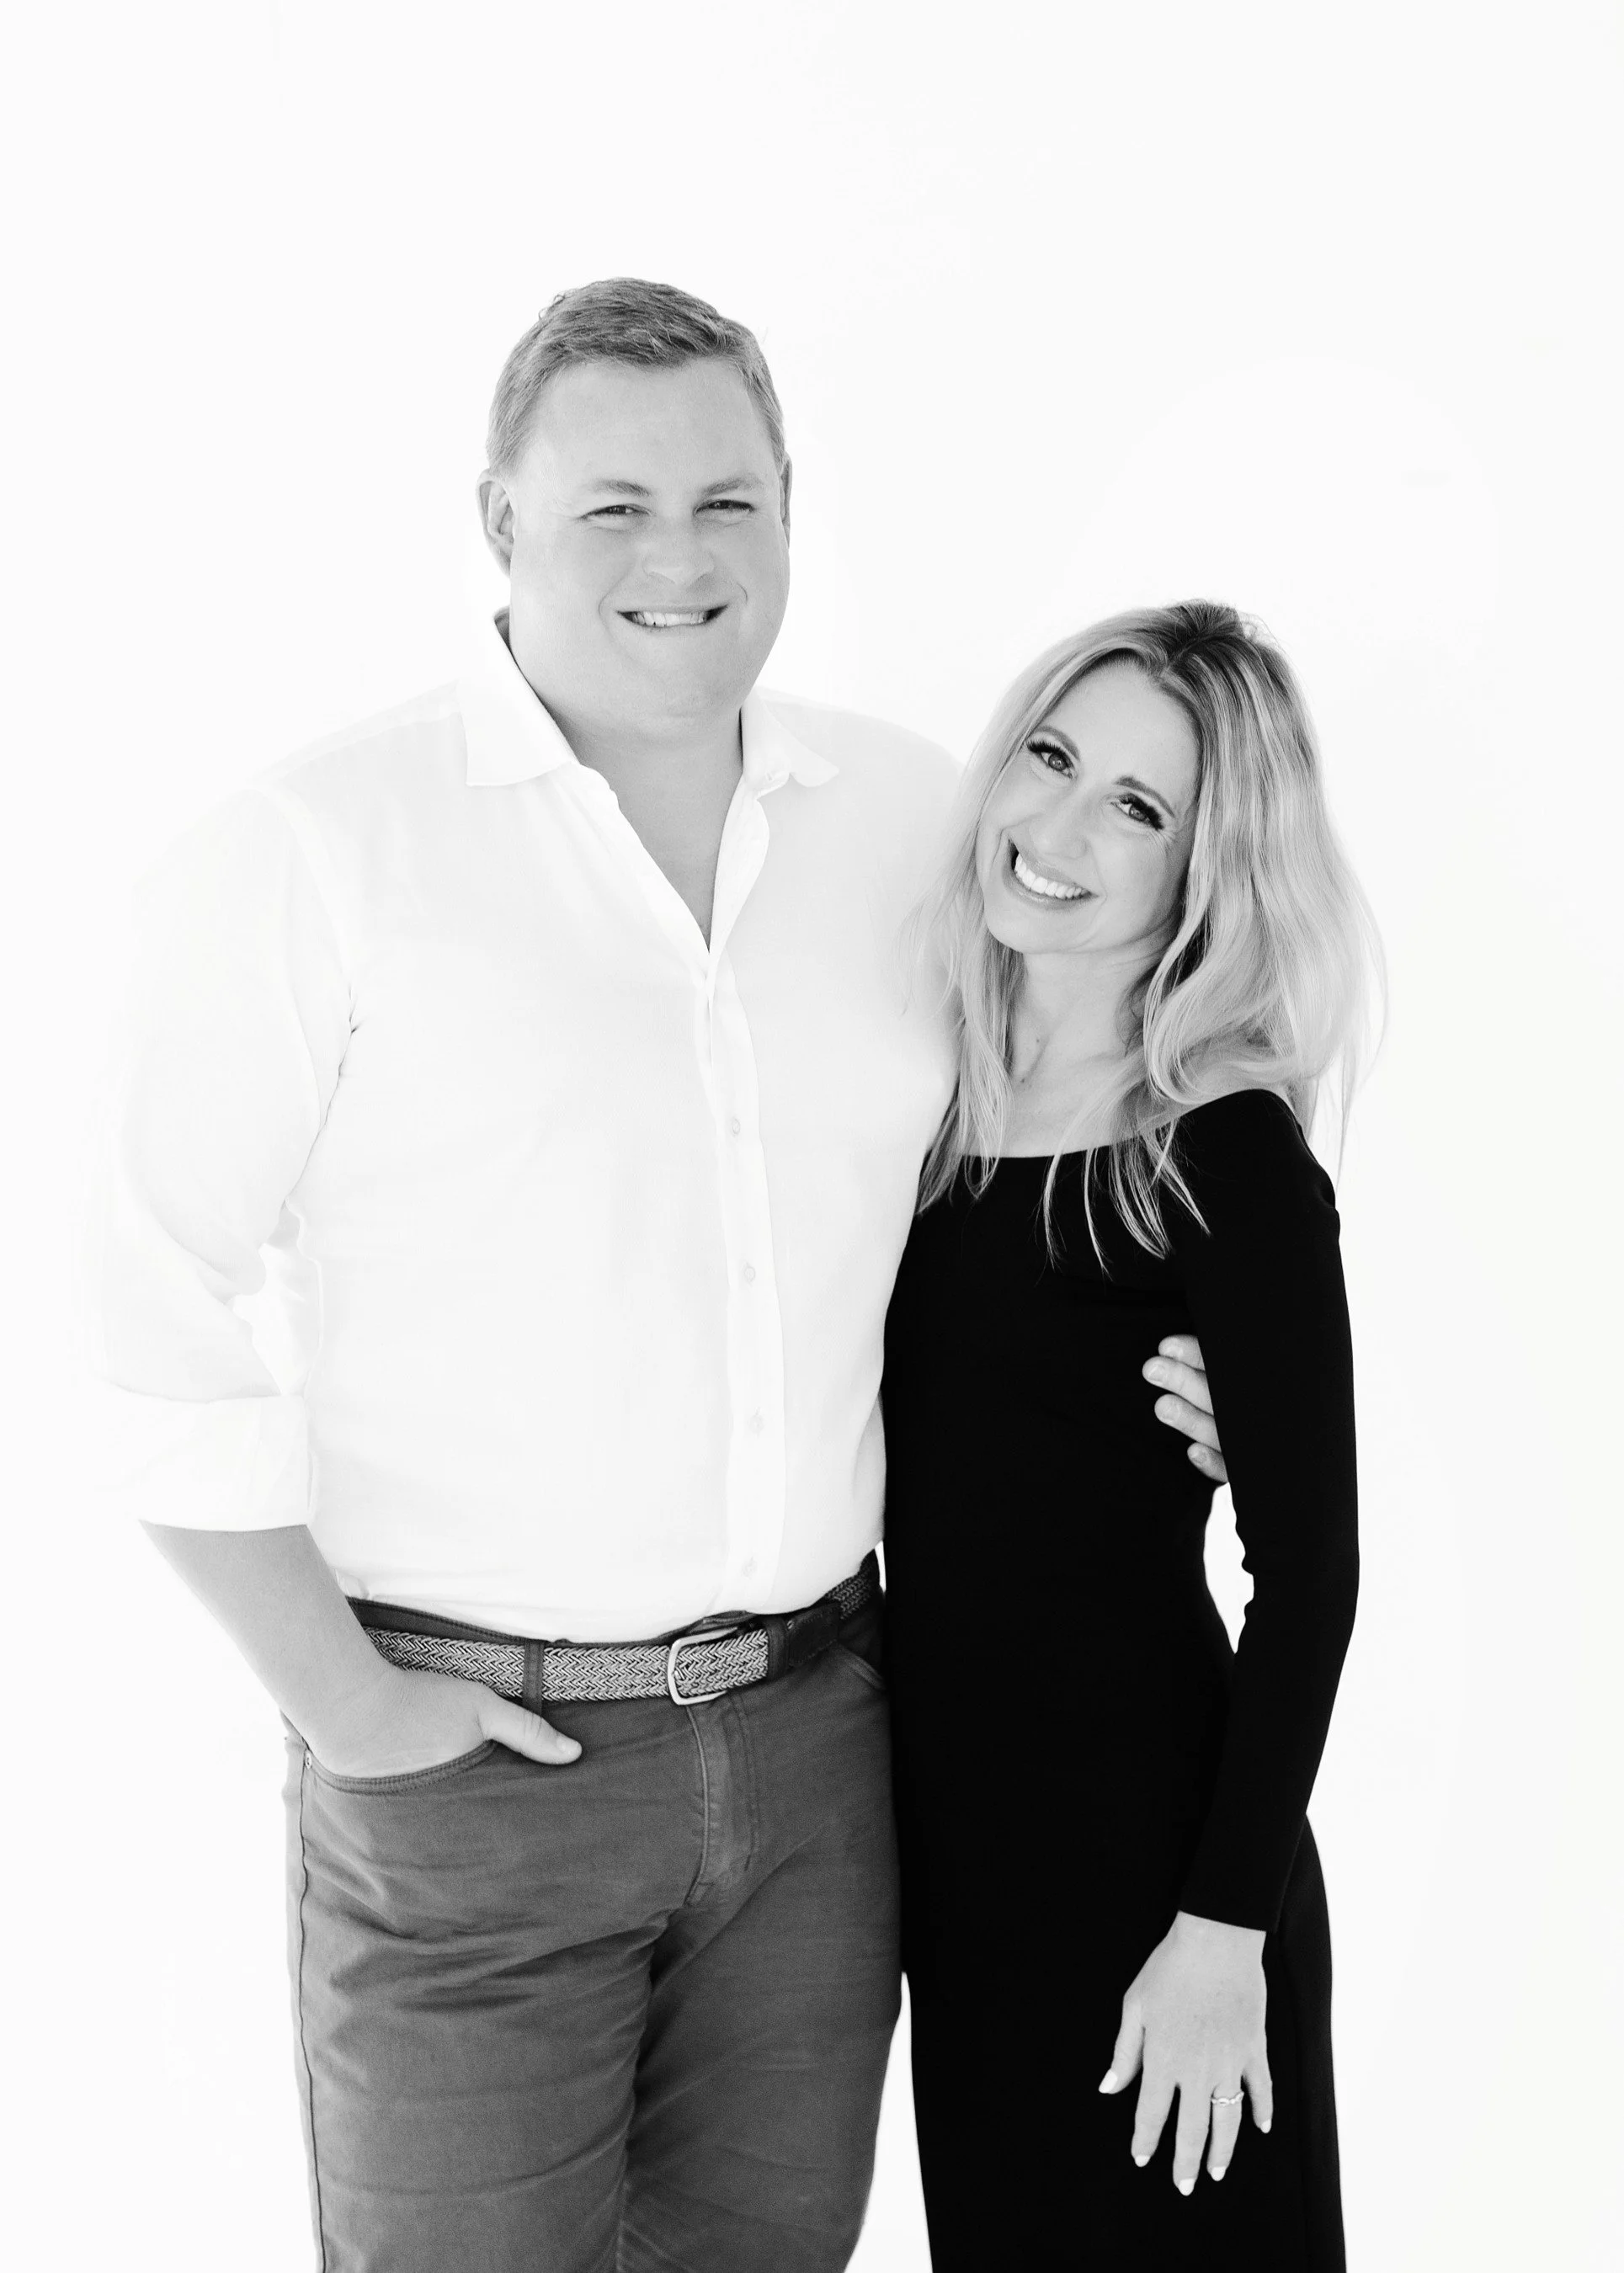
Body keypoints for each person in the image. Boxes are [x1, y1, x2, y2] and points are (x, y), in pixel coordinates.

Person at [86, 281, 1224, 2273]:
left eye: (727, 502)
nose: (679, 558)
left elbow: (1083, 1084)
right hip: (470, 1766)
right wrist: (345, 1703)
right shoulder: (317, 852)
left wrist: (1198, 1349)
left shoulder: (911, 824)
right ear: (499, 521)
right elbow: (125, 1307)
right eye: (612, 506)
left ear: (790, 510)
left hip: (822, 1754)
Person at [881, 603, 1376, 2270]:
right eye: (1051, 756)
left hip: (1159, 1869)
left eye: (1138, 808)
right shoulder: (921, 1109)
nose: (1059, 826)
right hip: (959, 1879)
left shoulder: (1222, 1150)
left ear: (1203, 874)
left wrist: (1222, 1932)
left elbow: (1310, 1582)